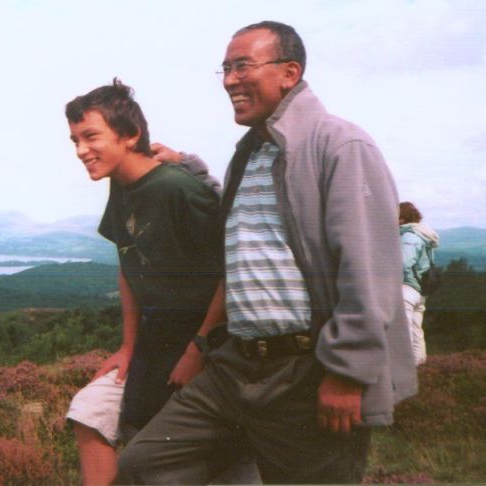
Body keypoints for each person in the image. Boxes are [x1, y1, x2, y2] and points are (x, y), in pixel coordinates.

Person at [117, 21, 417, 484]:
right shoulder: (253, 151)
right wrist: (193, 169)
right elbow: (245, 227)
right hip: (236, 365)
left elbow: (370, 267)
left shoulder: (339, 144)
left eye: (243, 66)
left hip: (306, 370)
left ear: (289, 72)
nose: (230, 80)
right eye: (224, 69)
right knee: (145, 464)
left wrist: (348, 372)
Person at [64, 79, 253, 485]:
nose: (81, 150)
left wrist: (199, 347)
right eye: (75, 139)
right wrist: (128, 346)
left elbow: (231, 271)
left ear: (130, 136)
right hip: (157, 337)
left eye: (91, 136)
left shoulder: (176, 189)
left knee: (175, 455)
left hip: (210, 341)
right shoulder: (121, 182)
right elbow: (127, 262)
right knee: (92, 412)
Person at [399, 201, 440, 365]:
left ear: (402, 219)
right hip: (420, 289)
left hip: (407, 287)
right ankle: (418, 364)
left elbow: (402, 263)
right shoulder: (423, 235)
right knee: (416, 328)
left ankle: (404, 365)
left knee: (404, 328)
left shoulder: (409, 237)